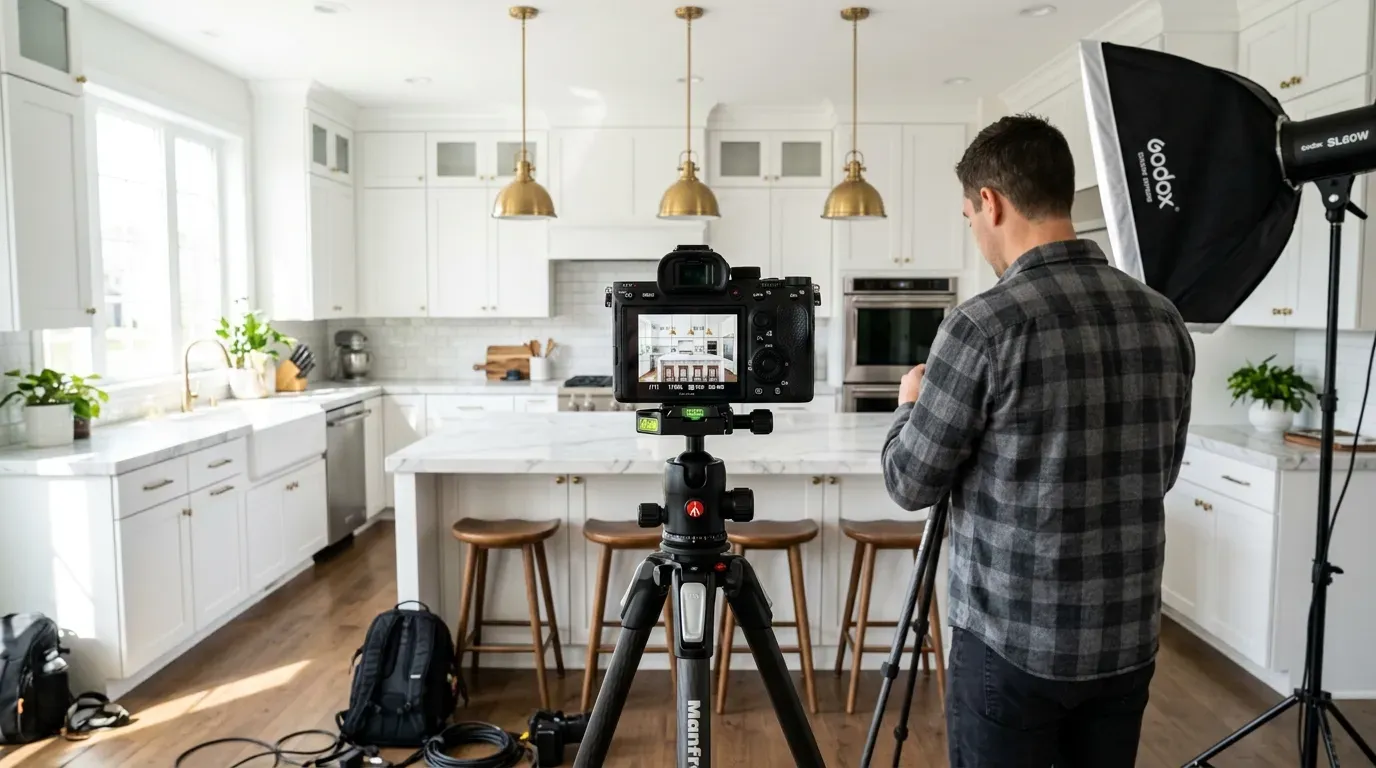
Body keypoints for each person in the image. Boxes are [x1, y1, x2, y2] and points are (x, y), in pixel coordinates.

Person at [881, 115, 1195, 767]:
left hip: (1011, 643)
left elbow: (910, 482)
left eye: (968, 216)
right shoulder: (1163, 317)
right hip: (1124, 639)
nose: (973, 231)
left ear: (990, 203)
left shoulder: (984, 325)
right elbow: (1159, 474)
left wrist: (909, 405)